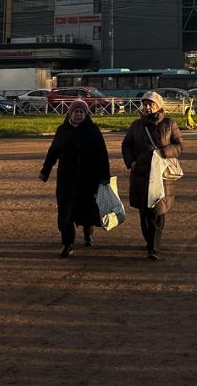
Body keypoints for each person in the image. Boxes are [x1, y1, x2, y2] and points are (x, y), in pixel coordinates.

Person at [40, 99, 110, 257]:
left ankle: (88, 234)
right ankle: (67, 243)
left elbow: (102, 154)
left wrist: (105, 176)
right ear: (70, 113)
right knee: (65, 212)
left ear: (85, 114)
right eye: (75, 112)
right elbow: (53, 152)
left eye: (81, 112)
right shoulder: (63, 130)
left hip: (88, 179)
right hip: (66, 179)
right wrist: (45, 171)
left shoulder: (93, 130)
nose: (78, 114)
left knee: (87, 210)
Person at [121, 91, 183, 260]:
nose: (147, 107)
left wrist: (164, 152)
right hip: (141, 173)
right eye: (145, 104)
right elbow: (126, 145)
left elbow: (179, 146)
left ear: (159, 105)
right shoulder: (136, 125)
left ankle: (154, 248)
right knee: (144, 212)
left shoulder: (169, 124)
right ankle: (149, 242)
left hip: (161, 174)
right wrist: (131, 162)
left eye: (151, 104)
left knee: (158, 210)